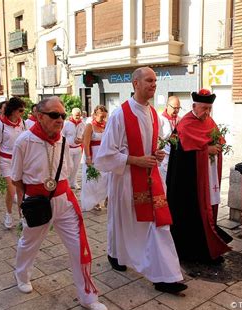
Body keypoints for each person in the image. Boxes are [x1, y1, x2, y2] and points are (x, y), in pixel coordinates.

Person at [95, 67, 187, 294]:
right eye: (149, 80)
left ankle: (165, 276)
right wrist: (136, 160)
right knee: (121, 221)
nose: (153, 84)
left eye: (155, 81)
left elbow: (150, 146)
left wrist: (156, 153)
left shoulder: (153, 114)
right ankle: (115, 253)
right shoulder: (119, 115)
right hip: (126, 180)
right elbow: (105, 155)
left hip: (151, 179)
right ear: (135, 84)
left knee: (159, 225)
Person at [11, 97, 108, 310]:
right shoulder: (24, 141)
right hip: (37, 202)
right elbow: (16, 178)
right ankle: (22, 274)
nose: (60, 119)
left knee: (79, 247)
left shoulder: (63, 139)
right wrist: (21, 203)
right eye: (55, 115)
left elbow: (67, 170)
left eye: (62, 115)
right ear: (39, 115)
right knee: (29, 244)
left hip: (64, 200)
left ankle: (88, 296)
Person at [166, 89, 232, 265]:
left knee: (208, 209)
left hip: (207, 176)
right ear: (194, 106)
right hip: (189, 183)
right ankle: (192, 252)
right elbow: (181, 156)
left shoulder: (209, 121)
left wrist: (217, 146)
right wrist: (205, 150)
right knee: (193, 214)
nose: (207, 113)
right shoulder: (185, 124)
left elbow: (219, 140)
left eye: (209, 109)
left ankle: (208, 247)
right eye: (204, 108)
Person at [0, 97, 26, 228]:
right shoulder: (0, 125)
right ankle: (8, 213)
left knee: (20, 192)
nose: (23, 112)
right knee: (11, 190)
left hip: (19, 161)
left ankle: (21, 216)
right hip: (5, 160)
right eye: (20, 110)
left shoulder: (23, 123)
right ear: (12, 110)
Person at [80, 105, 108, 212]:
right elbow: (86, 143)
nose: (103, 119)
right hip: (93, 154)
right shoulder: (89, 126)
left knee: (106, 177)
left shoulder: (105, 125)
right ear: (95, 115)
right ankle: (95, 201)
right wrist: (88, 158)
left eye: (105, 117)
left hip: (104, 155)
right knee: (94, 179)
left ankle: (106, 197)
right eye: (101, 117)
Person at [159, 95, 182, 185]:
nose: (176, 110)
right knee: (164, 183)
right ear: (167, 106)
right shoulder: (160, 119)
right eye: (174, 108)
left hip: (175, 156)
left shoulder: (180, 119)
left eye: (178, 108)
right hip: (164, 157)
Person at [62, 107, 85, 190]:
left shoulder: (83, 124)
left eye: (79, 115)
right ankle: (67, 183)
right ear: (72, 115)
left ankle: (74, 183)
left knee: (76, 166)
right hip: (68, 149)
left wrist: (81, 140)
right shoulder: (66, 124)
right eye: (76, 115)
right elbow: (62, 135)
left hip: (78, 148)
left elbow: (85, 136)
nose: (78, 117)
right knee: (69, 166)